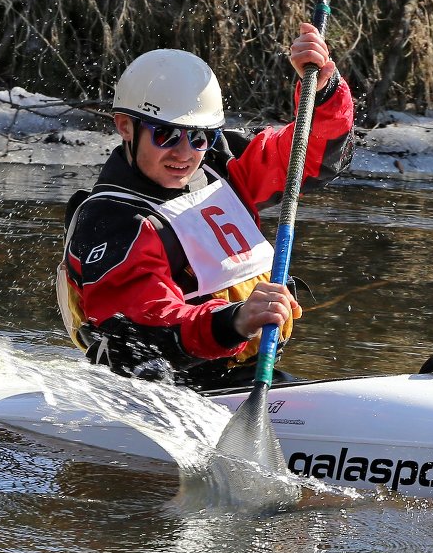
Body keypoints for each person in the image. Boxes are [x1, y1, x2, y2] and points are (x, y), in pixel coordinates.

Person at [56, 23, 354, 390]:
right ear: (125, 126)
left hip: (240, 373)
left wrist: (323, 90)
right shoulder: (115, 222)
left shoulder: (219, 165)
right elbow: (142, 328)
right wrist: (235, 321)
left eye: (199, 137)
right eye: (165, 135)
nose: (184, 154)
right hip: (166, 388)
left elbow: (307, 158)